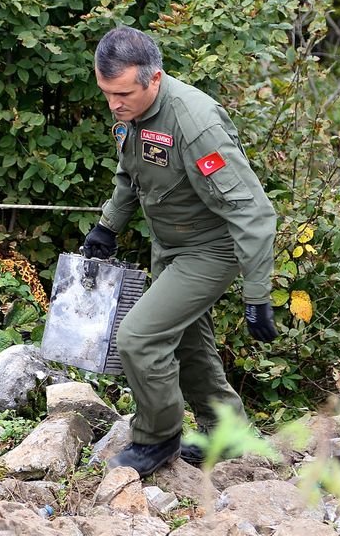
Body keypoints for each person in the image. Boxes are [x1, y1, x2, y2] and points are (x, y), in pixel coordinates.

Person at [82, 26, 279, 477]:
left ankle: (157, 437)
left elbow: (253, 212)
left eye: (123, 93)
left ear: (154, 79)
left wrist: (257, 295)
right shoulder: (132, 110)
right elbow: (131, 172)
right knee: (188, 344)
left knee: (139, 337)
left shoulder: (195, 123)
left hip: (211, 250)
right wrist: (107, 226)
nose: (114, 104)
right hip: (169, 245)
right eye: (107, 92)